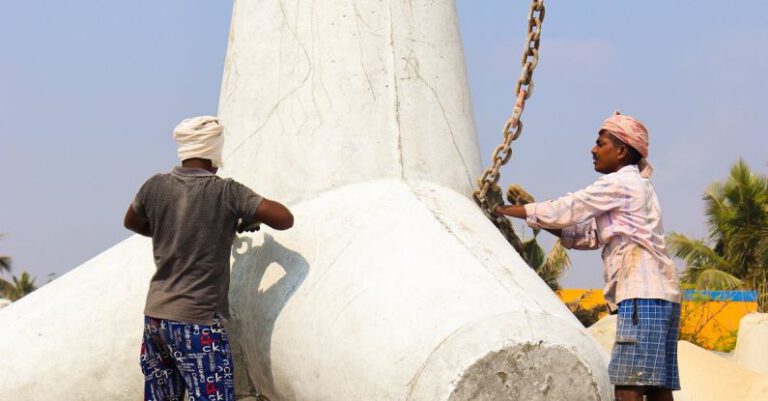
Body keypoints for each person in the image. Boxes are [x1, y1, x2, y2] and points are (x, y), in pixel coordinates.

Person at [493, 112, 681, 401]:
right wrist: (535, 215)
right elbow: (586, 235)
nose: (593, 149)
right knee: (657, 387)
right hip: (661, 296)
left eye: (600, 143)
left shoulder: (619, 183)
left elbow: (568, 208)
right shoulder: (638, 188)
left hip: (641, 295)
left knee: (628, 384)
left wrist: (508, 211)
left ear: (620, 150)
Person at [124, 115, 294, 401]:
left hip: (156, 318)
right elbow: (284, 218)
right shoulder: (226, 191)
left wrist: (171, 234)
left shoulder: (154, 186)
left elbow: (132, 221)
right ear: (215, 150)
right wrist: (243, 215)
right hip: (197, 320)